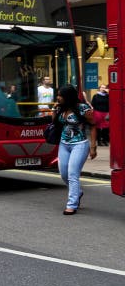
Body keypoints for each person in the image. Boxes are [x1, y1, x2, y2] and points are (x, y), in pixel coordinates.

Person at [53, 84, 96, 215]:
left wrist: (93, 146)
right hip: (64, 144)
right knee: (63, 174)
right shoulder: (61, 108)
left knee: (72, 174)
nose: (58, 97)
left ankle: (72, 204)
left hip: (80, 144)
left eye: (60, 95)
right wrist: (55, 110)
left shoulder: (83, 108)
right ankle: (78, 192)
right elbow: (54, 123)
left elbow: (93, 126)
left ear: (68, 97)